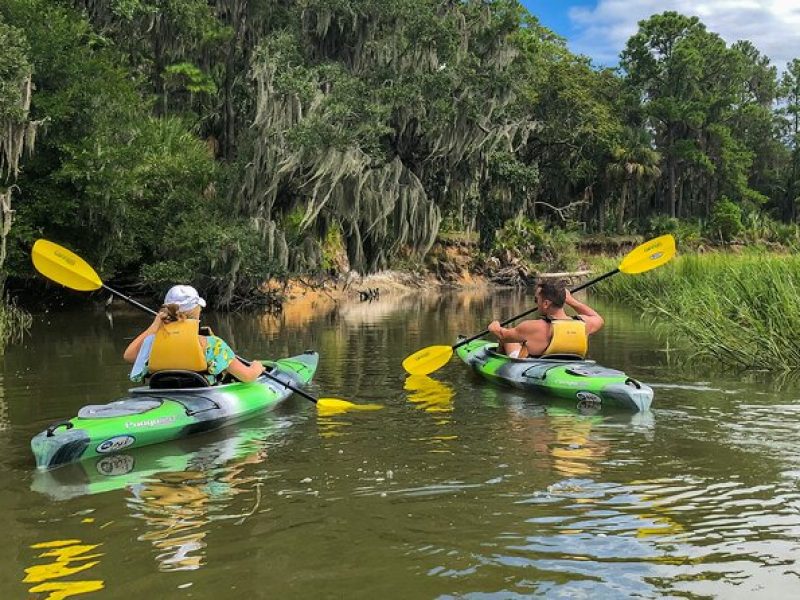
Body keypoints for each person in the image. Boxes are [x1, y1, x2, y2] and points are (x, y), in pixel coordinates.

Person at [123, 284, 265, 384]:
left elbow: (128, 356)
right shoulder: (212, 345)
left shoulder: (152, 342)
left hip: (163, 393)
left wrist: (154, 327)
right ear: (197, 311)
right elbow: (247, 376)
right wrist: (256, 367)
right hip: (200, 396)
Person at [487, 279, 604, 359]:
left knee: (508, 341)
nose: (536, 303)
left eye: (536, 299)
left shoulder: (533, 327)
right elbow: (597, 318)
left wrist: (494, 326)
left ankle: (497, 362)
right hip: (572, 366)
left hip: (534, 369)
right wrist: (572, 301)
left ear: (546, 303)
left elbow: (502, 335)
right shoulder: (583, 324)